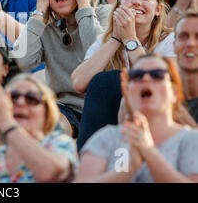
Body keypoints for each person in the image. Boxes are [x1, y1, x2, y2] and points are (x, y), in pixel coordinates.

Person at [11, 0, 112, 138]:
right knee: (48, 123)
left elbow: (97, 54)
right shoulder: (44, 29)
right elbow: (21, 62)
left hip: (102, 108)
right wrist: (40, 10)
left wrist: (83, 3)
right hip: (64, 110)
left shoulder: (105, 13)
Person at [73, 0, 175, 150]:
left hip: (156, 116)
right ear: (119, 5)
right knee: (103, 81)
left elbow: (154, 84)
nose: (137, 2)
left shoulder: (170, 41)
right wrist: (116, 39)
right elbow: (79, 82)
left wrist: (130, 39)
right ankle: (88, 161)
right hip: (111, 122)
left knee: (114, 80)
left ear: (158, 9)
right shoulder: (105, 42)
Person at [75, 54, 198, 183]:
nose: (145, 79)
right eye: (137, 76)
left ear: (174, 93)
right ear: (127, 91)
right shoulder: (106, 138)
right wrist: (129, 168)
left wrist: (149, 153)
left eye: (157, 75)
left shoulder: (191, 139)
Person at [174, 11, 198, 124]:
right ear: (174, 46)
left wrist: (185, 120)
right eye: (183, 36)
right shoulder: (162, 95)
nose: (191, 43)